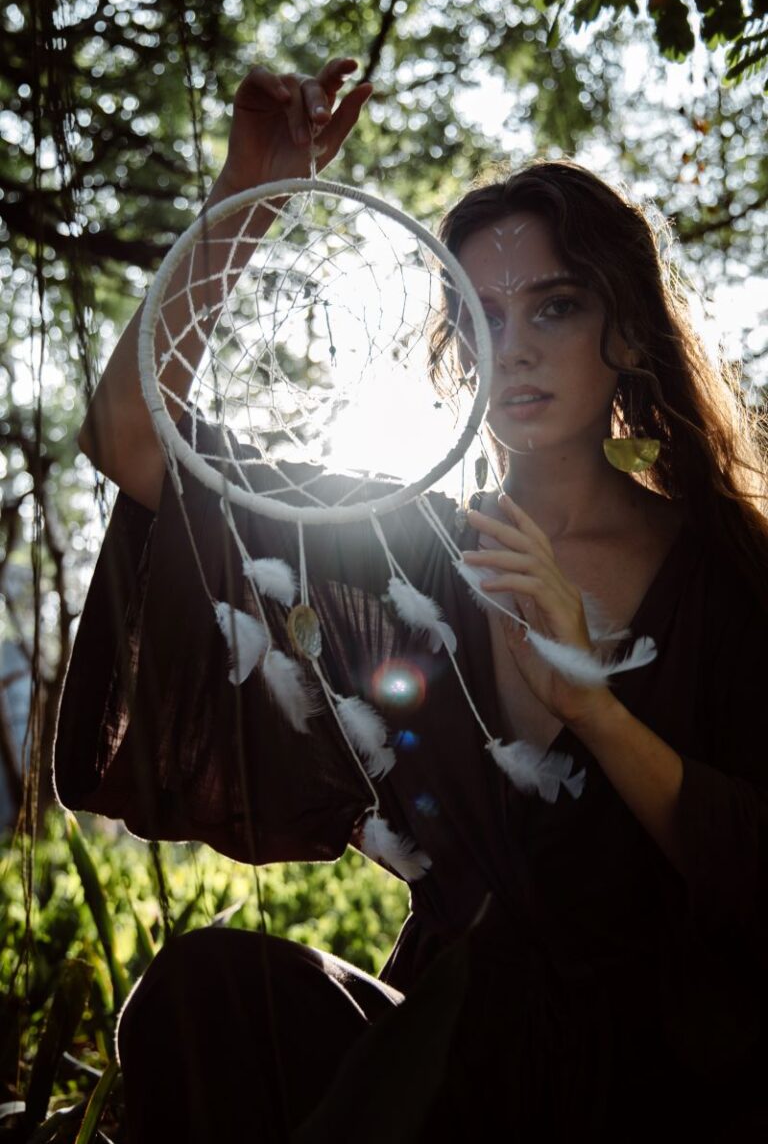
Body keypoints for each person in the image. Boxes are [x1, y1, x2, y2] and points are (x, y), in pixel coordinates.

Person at [54, 58, 768, 1142]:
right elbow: (129, 437)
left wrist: (594, 707)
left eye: (555, 306)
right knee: (201, 994)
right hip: (444, 1059)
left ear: (624, 328)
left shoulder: (731, 571)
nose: (514, 346)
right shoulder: (406, 547)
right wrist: (251, 189)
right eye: (480, 314)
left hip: (667, 1068)